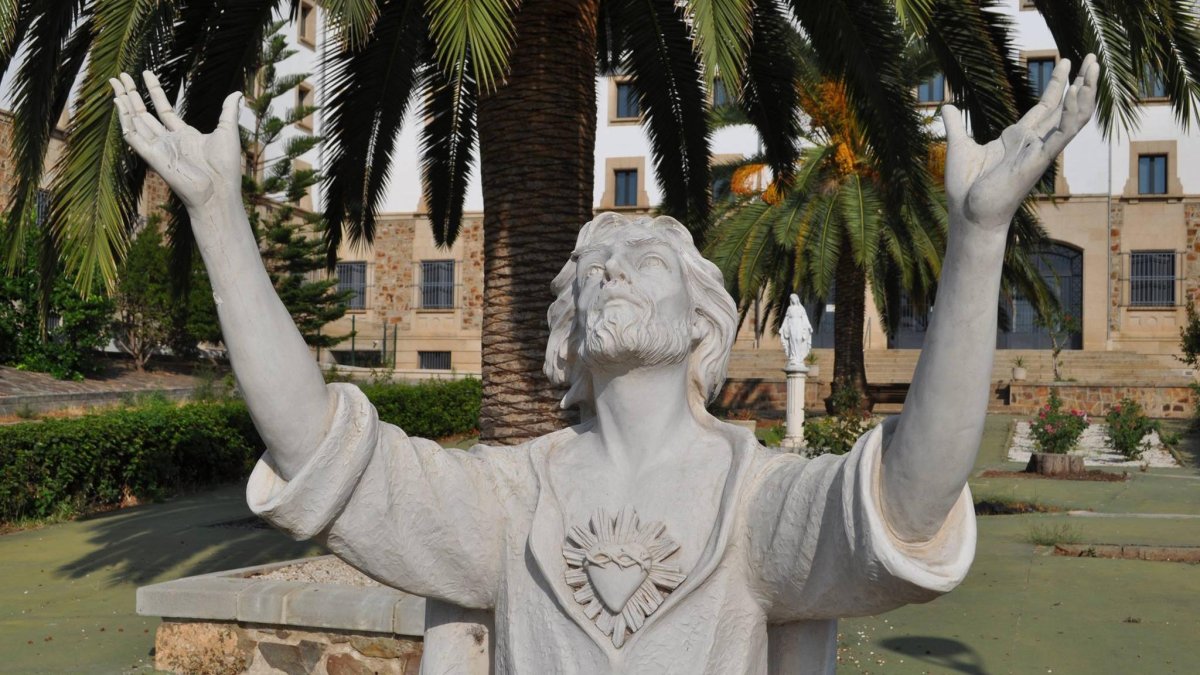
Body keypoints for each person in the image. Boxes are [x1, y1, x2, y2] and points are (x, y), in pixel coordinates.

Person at [111, 54, 1098, 674]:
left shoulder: (758, 504)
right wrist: (220, 218)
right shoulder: (508, 499)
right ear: (567, 331)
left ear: (702, 317)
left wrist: (977, 235)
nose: (613, 274)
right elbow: (318, 449)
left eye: (645, 260)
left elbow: (911, 503)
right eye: (592, 269)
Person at [779, 293, 813, 367]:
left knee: (798, 339)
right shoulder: (789, 308)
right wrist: (782, 327)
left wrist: (809, 326)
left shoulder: (801, 308)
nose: (793, 300)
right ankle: (793, 357)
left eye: (794, 298)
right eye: (791, 299)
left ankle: (799, 357)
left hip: (799, 325)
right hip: (792, 326)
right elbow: (786, 319)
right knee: (792, 341)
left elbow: (805, 318)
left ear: (797, 299)